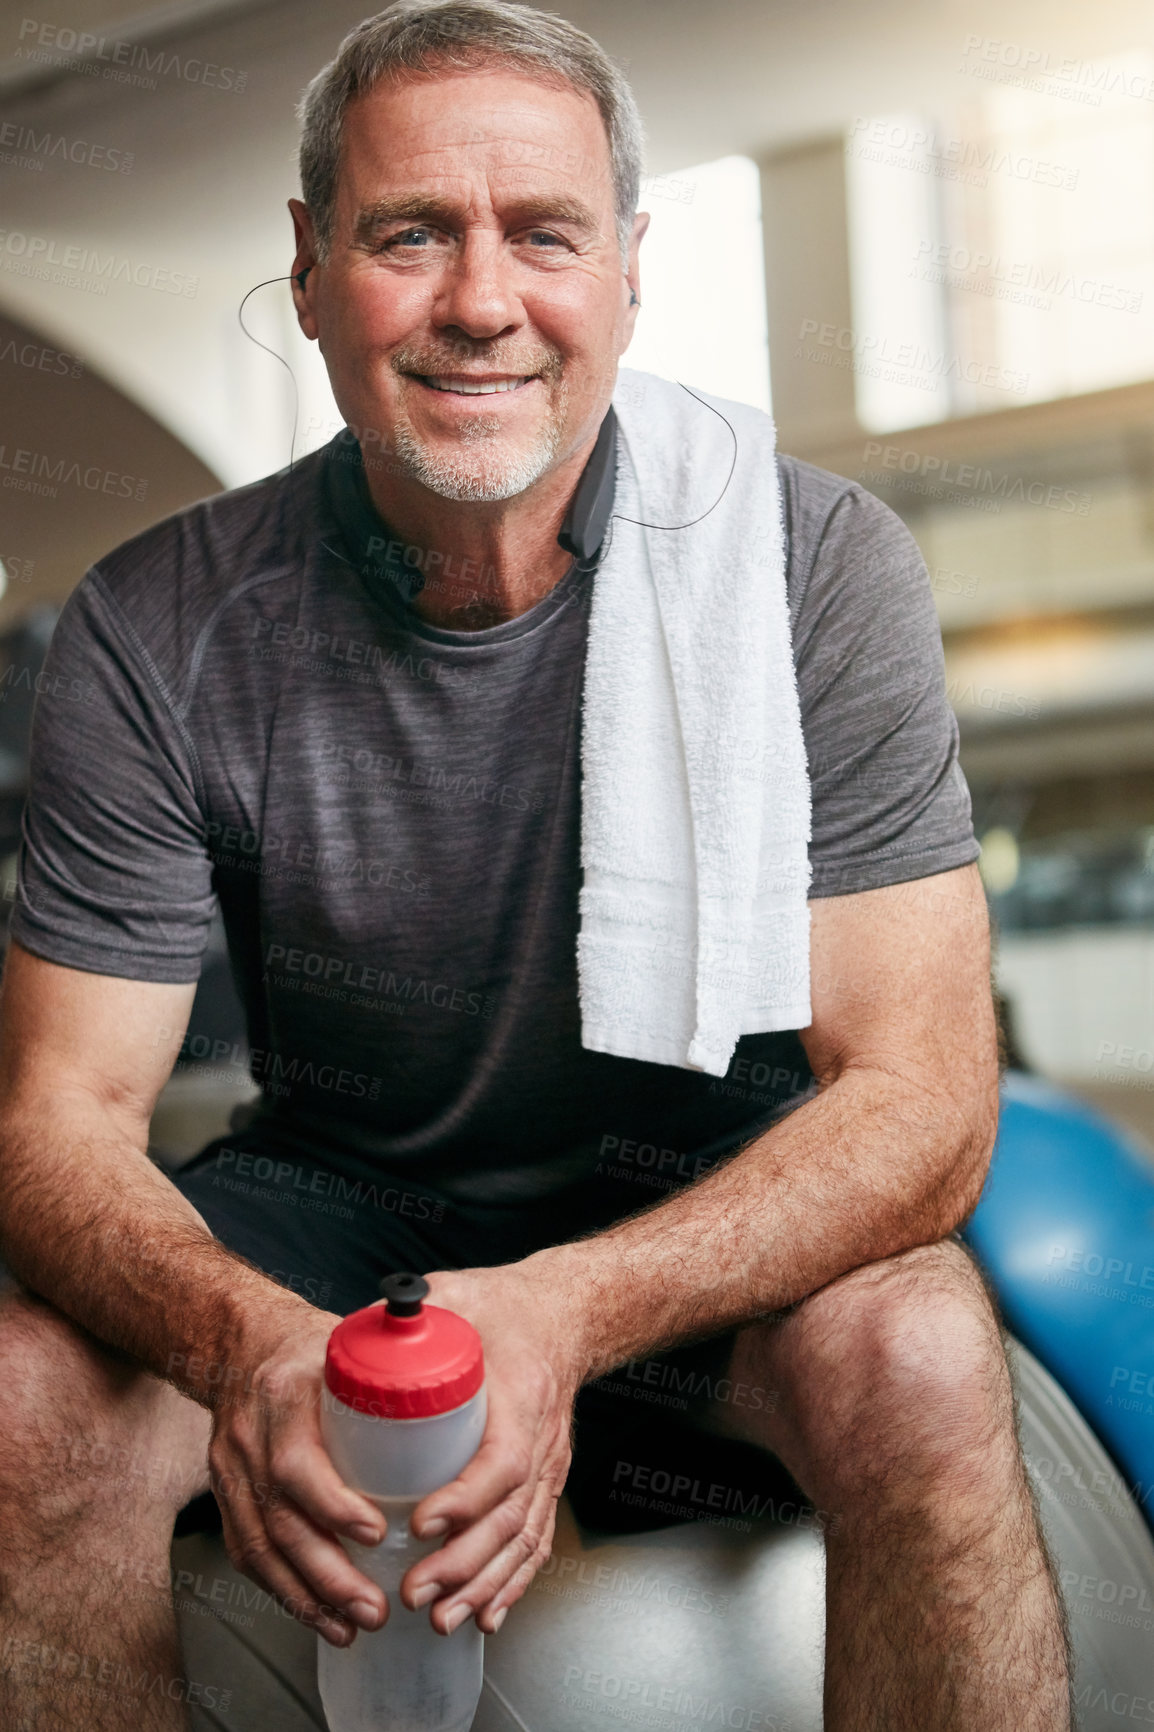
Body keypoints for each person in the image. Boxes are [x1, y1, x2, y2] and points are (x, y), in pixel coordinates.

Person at [0, 2, 1071, 1727]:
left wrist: (564, 1313)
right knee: (15, 1406)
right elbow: (59, 1123)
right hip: (338, 1216)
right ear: (310, 262)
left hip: (706, 1204)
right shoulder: (155, 619)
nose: (482, 302)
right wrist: (249, 1345)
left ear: (629, 271)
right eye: (410, 232)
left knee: (923, 1354)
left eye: (543, 235)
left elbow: (928, 1102)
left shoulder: (809, 566)